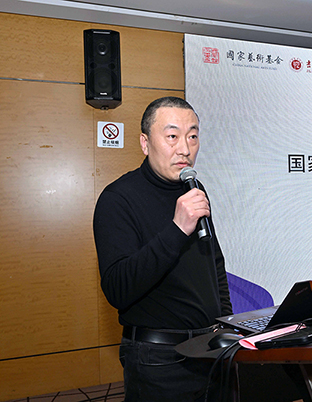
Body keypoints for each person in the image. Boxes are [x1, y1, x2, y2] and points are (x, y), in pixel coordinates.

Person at [93, 96, 232, 401]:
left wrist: (226, 324)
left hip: (211, 350)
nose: (185, 149)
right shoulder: (117, 199)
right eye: (172, 136)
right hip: (158, 358)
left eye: (192, 136)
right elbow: (117, 289)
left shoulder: (194, 188)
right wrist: (177, 229)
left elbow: (214, 263)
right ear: (145, 143)